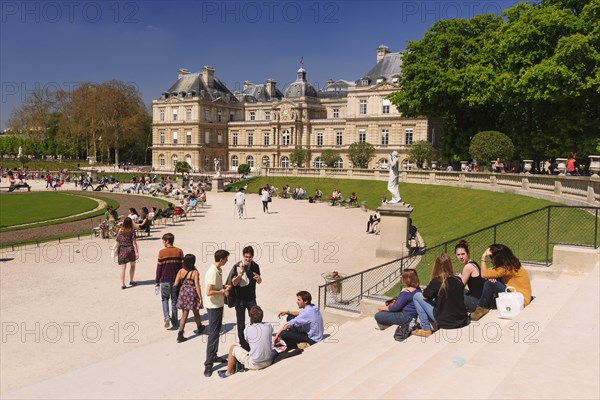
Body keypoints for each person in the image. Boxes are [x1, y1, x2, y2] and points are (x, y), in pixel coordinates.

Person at [412, 253, 469, 337]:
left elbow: (425, 296)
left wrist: (430, 284)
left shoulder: (436, 281)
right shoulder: (458, 279)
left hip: (446, 321)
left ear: (436, 266)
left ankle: (426, 328)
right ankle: (428, 326)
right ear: (450, 265)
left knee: (416, 296)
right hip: (462, 319)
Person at [470, 244, 532, 321]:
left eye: (492, 258)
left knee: (489, 283)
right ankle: (487, 304)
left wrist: (483, 257)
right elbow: (489, 272)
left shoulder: (505, 268)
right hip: (521, 296)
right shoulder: (511, 264)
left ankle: (482, 308)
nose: (492, 260)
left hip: (519, 301)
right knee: (492, 279)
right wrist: (491, 276)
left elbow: (484, 274)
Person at [218, 306, 273, 378]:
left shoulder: (247, 329)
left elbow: (248, 341)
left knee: (233, 348)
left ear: (250, 317)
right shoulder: (269, 326)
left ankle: (228, 372)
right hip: (269, 361)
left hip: (255, 364)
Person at [204, 249, 231, 377]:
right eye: (226, 259)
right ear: (221, 259)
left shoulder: (218, 270)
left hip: (218, 305)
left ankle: (214, 355)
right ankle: (208, 364)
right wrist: (222, 291)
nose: (227, 261)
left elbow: (216, 287)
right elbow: (208, 291)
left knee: (216, 332)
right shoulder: (213, 272)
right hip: (213, 306)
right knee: (213, 334)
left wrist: (223, 287)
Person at [231, 246, 262, 351]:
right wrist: (240, 274)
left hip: (251, 298)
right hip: (239, 299)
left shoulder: (255, 266)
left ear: (252, 256)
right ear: (243, 256)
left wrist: (259, 279)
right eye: (246, 257)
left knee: (255, 319)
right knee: (241, 322)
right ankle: (243, 344)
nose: (247, 259)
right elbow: (234, 283)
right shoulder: (238, 266)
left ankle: (254, 340)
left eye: (249, 257)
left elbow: (259, 280)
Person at [155, 233, 184, 328]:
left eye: (163, 241)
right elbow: (182, 267)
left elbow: (159, 267)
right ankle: (175, 321)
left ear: (167, 241)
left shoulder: (161, 252)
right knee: (174, 301)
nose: (163, 243)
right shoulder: (179, 251)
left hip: (164, 280)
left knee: (164, 299)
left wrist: (157, 280)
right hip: (176, 280)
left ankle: (166, 316)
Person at [174, 254, 205, 343]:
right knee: (196, 311)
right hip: (192, 293)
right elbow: (197, 285)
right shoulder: (194, 272)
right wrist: (200, 297)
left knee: (184, 314)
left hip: (183, 292)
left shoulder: (180, 271)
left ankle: (180, 333)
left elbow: (176, 284)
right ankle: (199, 327)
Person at [455, 240, 485, 312]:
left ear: (468, 253)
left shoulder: (468, 267)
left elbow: (460, 287)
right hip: (480, 299)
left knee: (452, 294)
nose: (461, 257)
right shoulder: (473, 263)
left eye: (463, 254)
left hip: (477, 303)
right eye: (458, 255)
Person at [115, 217, 139, 290]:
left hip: (122, 249)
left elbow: (117, 240)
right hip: (130, 249)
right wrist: (137, 252)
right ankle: (131, 280)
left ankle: (123, 284)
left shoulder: (120, 231)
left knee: (122, 268)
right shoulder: (132, 231)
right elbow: (134, 243)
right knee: (133, 266)